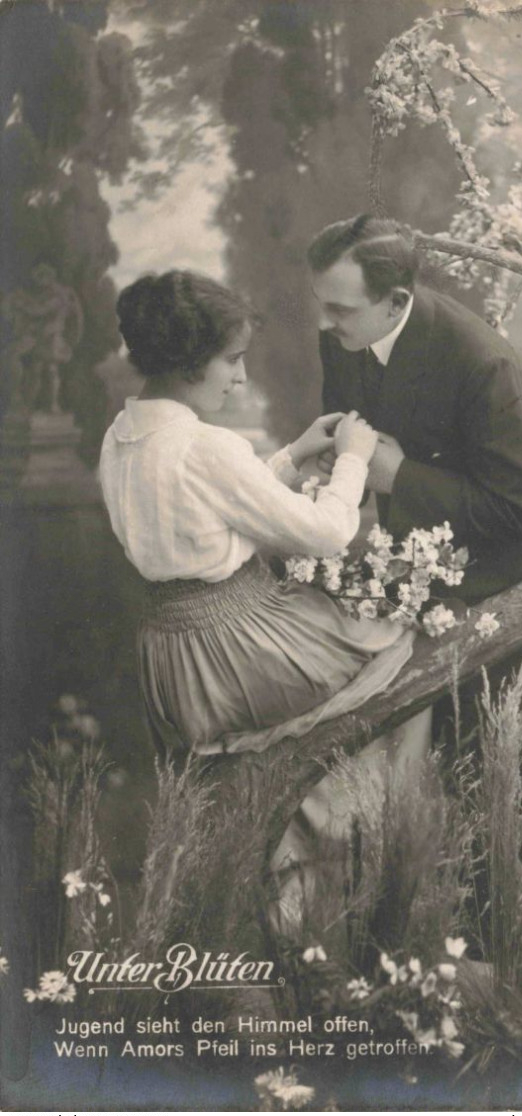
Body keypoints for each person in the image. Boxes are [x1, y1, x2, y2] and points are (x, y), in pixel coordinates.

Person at [307, 214, 522, 848]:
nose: (324, 323)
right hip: (427, 556)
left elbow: (516, 510)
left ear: (396, 301)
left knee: (486, 722)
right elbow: (360, 423)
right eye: (322, 305)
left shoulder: (482, 361)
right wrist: (339, 453)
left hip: (509, 563)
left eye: (339, 309)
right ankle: (472, 906)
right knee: (443, 728)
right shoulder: (343, 334)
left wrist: (396, 475)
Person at [99, 269, 419, 760]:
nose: (241, 377)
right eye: (231, 360)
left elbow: (205, 514)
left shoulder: (120, 437)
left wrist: (292, 455)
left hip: (172, 666)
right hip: (241, 652)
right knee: (396, 644)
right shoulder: (205, 446)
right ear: (189, 363)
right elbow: (328, 532)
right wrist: (353, 456)